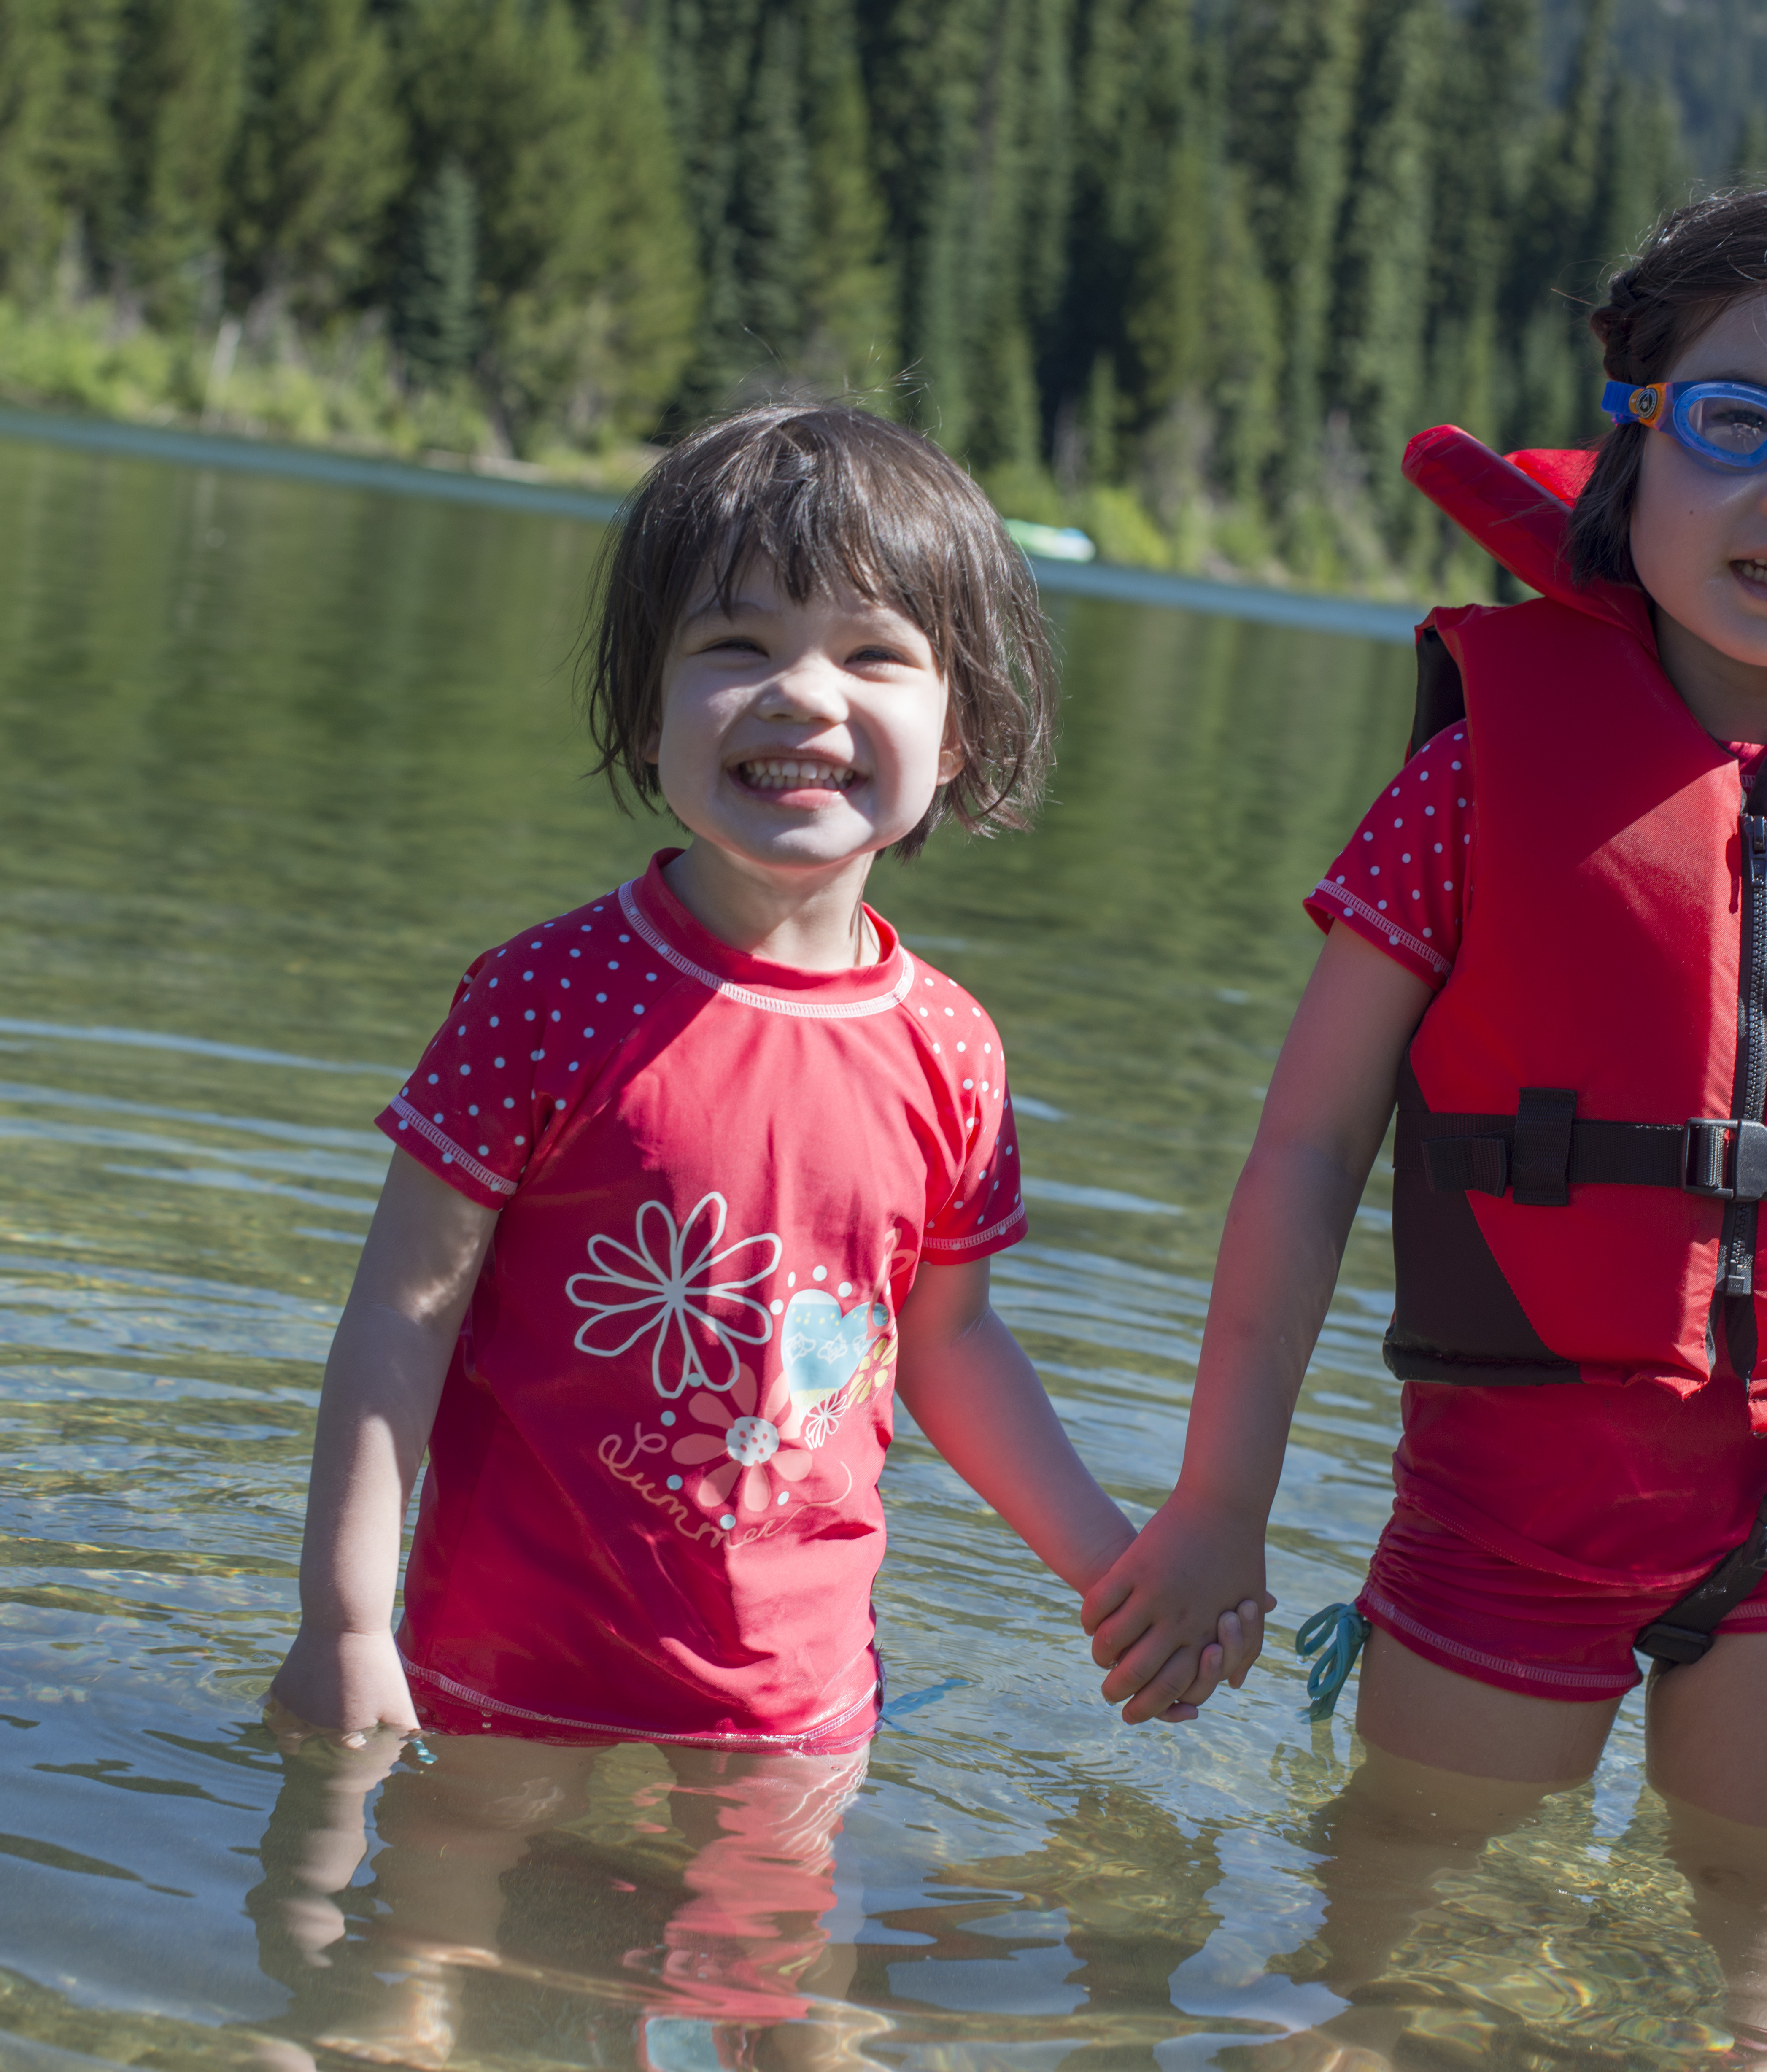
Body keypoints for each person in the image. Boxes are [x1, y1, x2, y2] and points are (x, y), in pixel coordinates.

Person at [1079, 182, 1767, 2061]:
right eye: (1737, 424)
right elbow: (1305, 1158)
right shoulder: (1479, 782)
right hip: (1506, 1512)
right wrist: (1220, 1502)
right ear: (1633, 429)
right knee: (1393, 1968)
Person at [261, 402, 1255, 2066]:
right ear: (645, 707)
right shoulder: (546, 997)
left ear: (966, 730)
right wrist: (345, 1621)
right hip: (509, 1661)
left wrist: (1109, 1562)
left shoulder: (949, 1047)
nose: (805, 692)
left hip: (789, 1696)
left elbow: (948, 1341)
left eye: (876, 652)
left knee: (786, 2008)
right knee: (424, 1976)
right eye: (737, 643)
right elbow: (399, 1319)